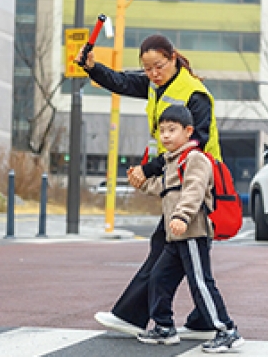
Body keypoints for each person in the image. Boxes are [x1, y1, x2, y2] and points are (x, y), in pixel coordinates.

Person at [74, 34, 222, 340]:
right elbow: (122, 82)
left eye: (158, 66)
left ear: (173, 58)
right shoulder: (157, 86)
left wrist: (148, 169)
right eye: (147, 68)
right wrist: (92, 68)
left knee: (173, 253)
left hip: (198, 183)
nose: (153, 74)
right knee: (183, 256)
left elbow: (197, 142)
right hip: (177, 182)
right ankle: (202, 321)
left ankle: (137, 316)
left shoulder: (194, 94)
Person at [134, 105, 244, 353]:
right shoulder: (172, 161)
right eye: (162, 131)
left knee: (201, 283)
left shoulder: (195, 158)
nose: (165, 136)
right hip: (176, 237)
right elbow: (162, 187)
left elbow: (194, 191)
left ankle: (227, 331)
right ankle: (164, 327)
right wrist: (141, 182)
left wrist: (182, 216)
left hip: (192, 233)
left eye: (172, 130)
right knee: (159, 277)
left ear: (188, 131)